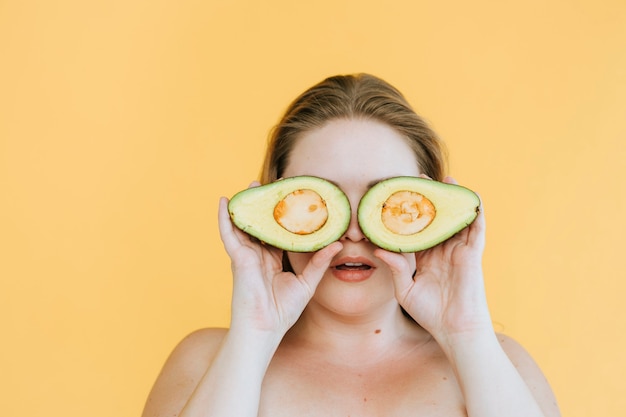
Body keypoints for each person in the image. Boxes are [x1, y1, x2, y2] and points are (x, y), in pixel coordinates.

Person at [141, 73, 560, 417]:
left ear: (429, 212)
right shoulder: (204, 362)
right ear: (274, 211)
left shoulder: (500, 363)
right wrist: (254, 331)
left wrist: (465, 331)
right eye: (317, 202)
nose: (354, 232)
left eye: (387, 202)